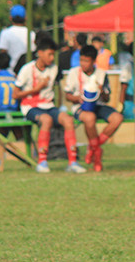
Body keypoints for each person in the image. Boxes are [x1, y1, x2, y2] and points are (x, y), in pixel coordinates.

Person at [14, 36, 86, 174]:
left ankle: (72, 162)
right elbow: (15, 94)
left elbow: (57, 89)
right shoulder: (27, 69)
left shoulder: (54, 69)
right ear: (40, 53)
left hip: (48, 106)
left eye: (54, 54)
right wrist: (35, 90)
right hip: (30, 107)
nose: (52, 58)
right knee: (46, 121)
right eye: (50, 54)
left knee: (68, 120)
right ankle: (42, 162)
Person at [63, 44, 123, 172]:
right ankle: (97, 157)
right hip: (80, 106)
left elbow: (107, 98)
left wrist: (102, 92)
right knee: (90, 118)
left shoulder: (101, 74)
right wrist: (78, 98)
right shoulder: (74, 73)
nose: (83, 64)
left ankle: (93, 146)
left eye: (86, 61)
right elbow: (67, 95)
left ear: (94, 61)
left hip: (98, 104)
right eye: (81, 60)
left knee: (117, 118)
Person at [0, 4, 36, 71]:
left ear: (10, 18)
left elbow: (3, 54)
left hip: (10, 72)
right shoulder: (31, 34)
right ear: (25, 18)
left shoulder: (5, 33)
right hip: (27, 72)